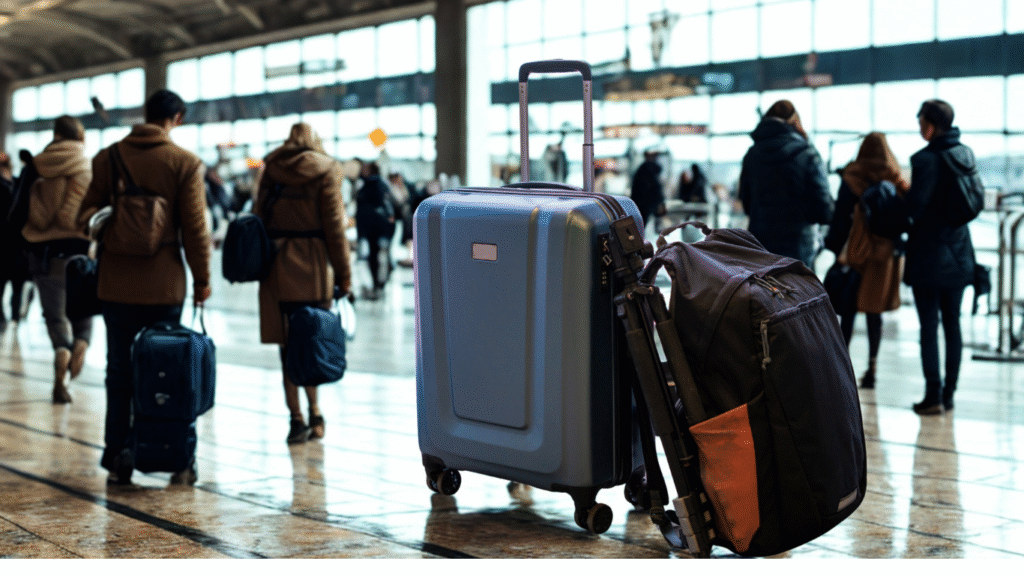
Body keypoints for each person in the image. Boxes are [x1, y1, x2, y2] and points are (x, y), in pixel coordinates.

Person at [79, 89, 212, 485]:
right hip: (165, 284)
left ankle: (119, 453)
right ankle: (177, 456)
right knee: (170, 370)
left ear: (146, 114)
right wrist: (202, 279)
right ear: (178, 118)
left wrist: (114, 223)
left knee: (119, 371)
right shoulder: (184, 162)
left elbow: (82, 217)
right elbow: (195, 229)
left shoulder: (109, 157)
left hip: (116, 282)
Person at [254, 123, 351, 444]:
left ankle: (295, 419)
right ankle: (316, 414)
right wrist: (344, 275)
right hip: (314, 266)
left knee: (288, 347)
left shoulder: (271, 169)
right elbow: (336, 229)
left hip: (277, 266)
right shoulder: (327, 169)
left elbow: (258, 217)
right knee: (312, 340)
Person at [903, 99, 977, 416]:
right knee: (952, 324)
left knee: (929, 326)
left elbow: (915, 208)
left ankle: (932, 394)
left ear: (931, 125)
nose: (919, 126)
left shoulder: (926, 159)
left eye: (921, 121)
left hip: (930, 254)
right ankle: (949, 394)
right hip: (960, 252)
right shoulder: (965, 155)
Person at [823, 132, 909, 390]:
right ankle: (872, 367)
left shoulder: (851, 179)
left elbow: (839, 219)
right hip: (883, 256)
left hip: (856, 253)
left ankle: (843, 367)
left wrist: (836, 249)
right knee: (874, 312)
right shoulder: (896, 182)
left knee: (847, 312)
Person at [20, 116, 94, 403]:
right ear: (80, 137)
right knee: (84, 310)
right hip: (80, 249)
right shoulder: (89, 167)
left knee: (55, 314)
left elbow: (17, 211)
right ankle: (81, 343)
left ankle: (61, 350)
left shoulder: (35, 167)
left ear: (55, 135)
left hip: (44, 251)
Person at [738, 100, 834, 268]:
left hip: (761, 243)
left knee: (764, 291)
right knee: (798, 292)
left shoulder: (751, 155)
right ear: (795, 122)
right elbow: (824, 210)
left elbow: (746, 203)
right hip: (799, 245)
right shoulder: (807, 154)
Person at [355, 160, 396, 300]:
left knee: (378, 257)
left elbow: (384, 207)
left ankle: (378, 283)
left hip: (377, 227)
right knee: (375, 256)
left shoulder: (376, 186)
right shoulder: (368, 185)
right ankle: (377, 283)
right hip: (373, 228)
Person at [0, 152, 32, 327]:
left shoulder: (18, 183)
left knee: (16, 284)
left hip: (16, 243)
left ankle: (14, 317)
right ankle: (9, 318)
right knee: (8, 283)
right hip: (9, 242)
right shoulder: (15, 184)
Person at [630, 150, 665, 232]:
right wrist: (661, 202)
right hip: (647, 204)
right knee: (644, 226)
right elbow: (656, 188)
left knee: (641, 226)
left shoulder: (641, 169)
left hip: (640, 204)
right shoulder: (650, 170)